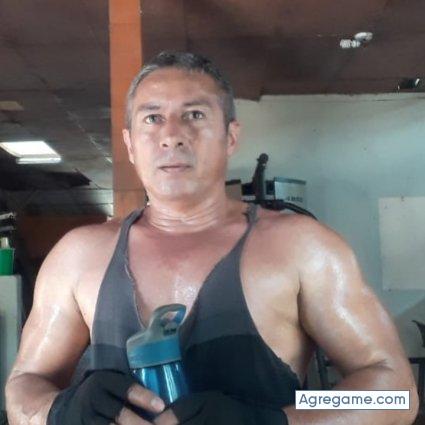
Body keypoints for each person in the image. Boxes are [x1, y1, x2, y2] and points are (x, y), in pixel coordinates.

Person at [5, 51, 418, 425]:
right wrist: (58, 409)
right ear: (130, 144)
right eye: (152, 118)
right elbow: (24, 386)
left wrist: (275, 420)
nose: (172, 135)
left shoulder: (302, 248)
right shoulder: (78, 256)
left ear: (230, 137)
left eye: (195, 115)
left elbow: (398, 394)